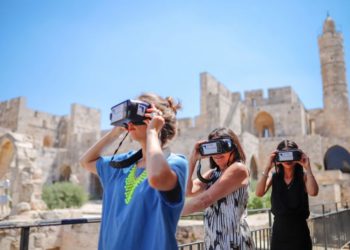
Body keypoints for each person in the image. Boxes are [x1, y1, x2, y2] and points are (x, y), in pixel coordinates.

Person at [79, 93, 188, 250]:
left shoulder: (175, 163)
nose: (131, 122)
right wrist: (115, 132)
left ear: (155, 119)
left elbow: (157, 177)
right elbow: (86, 161)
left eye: (138, 113)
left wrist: (152, 132)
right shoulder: (124, 163)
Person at [182, 127, 255, 250]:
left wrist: (172, 212)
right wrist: (193, 160)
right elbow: (187, 191)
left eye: (223, 146)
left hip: (234, 242)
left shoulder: (238, 168)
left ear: (233, 147)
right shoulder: (213, 173)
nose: (217, 153)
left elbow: (205, 199)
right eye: (213, 148)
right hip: (214, 242)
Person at [255, 139, 319, 250]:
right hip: (279, 236)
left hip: (300, 235)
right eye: (283, 154)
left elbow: (313, 192)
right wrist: (267, 167)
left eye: (291, 154)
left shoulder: (303, 176)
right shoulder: (274, 176)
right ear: (277, 156)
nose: (287, 158)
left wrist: (308, 167)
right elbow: (259, 193)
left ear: (297, 155)